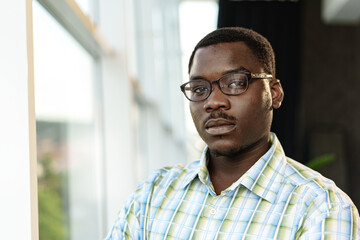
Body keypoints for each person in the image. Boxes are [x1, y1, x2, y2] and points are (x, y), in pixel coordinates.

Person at [105, 27, 360, 239]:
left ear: (274, 93)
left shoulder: (321, 207)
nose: (213, 102)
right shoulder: (153, 193)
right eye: (198, 88)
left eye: (236, 83)